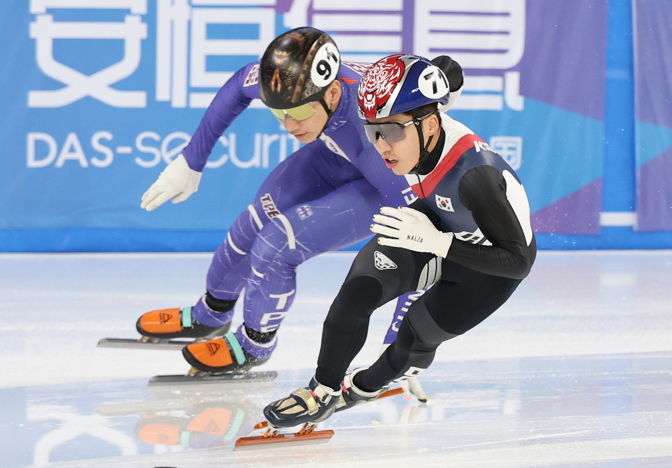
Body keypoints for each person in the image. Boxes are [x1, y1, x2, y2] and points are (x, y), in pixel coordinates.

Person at [134, 28, 449, 375]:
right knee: (251, 225)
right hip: (338, 153)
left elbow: (423, 247)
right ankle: (210, 314)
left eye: (297, 113)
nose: (287, 125)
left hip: (381, 178)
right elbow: (241, 83)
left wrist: (403, 344)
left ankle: (254, 345)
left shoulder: (372, 136)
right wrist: (191, 160)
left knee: (276, 244)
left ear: (332, 92)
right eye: (277, 113)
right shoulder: (291, 81)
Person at [262, 54, 537, 429]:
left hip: (489, 270)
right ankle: (322, 390)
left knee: (410, 341)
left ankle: (362, 387)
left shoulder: (477, 176)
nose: (382, 146)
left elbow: (518, 262)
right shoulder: (423, 121)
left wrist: (439, 244)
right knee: (357, 292)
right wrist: (443, 78)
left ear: (431, 126)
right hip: (435, 223)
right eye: (372, 132)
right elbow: (446, 72)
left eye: (391, 132)